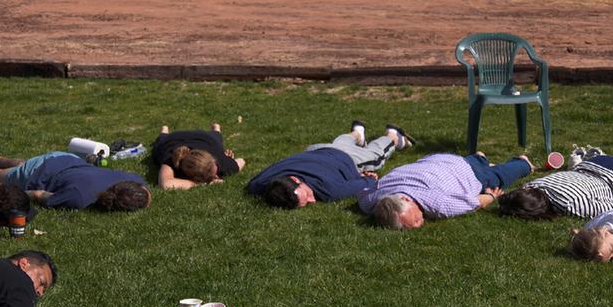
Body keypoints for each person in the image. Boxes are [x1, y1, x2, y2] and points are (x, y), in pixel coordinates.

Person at [246, 123, 413, 208]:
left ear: (296, 179)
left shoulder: (329, 190)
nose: (312, 200)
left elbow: (368, 183)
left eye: (308, 196)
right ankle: (357, 133)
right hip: (315, 150)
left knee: (375, 157)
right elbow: (253, 185)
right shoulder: (260, 184)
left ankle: (393, 136)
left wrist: (367, 178)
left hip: (346, 157)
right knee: (339, 142)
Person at [356, 152, 532, 229]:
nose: (419, 224)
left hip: (467, 173)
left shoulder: (438, 204)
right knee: (475, 161)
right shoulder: (370, 201)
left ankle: (523, 162)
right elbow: (364, 190)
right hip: (436, 160)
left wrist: (490, 196)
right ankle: (480, 158)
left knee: (498, 176)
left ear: (409, 201)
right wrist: (372, 178)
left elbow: (475, 202)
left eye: (416, 219)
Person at [0, 148, 151, 212]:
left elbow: (146, 191)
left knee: (24, 165)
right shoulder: (79, 199)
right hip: (39, 174)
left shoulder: (131, 178)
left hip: (65, 159)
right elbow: (37, 194)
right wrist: (14, 194)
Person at [150, 124, 245, 189]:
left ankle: (216, 129)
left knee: (217, 142)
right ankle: (164, 132)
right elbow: (165, 184)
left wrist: (227, 161)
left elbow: (241, 161)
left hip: (204, 139)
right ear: (195, 177)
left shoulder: (221, 162)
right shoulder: (171, 158)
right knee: (161, 141)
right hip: (172, 140)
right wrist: (202, 184)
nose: (217, 175)